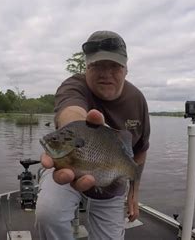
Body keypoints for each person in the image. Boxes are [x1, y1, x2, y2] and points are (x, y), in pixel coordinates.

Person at [36, 30, 150, 240]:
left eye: (114, 65)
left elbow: (140, 150)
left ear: (126, 69)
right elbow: (71, 111)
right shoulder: (73, 86)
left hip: (112, 178)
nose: (106, 73)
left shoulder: (138, 100)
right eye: (97, 65)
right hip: (66, 168)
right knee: (48, 214)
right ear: (86, 67)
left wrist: (134, 191)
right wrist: (76, 128)